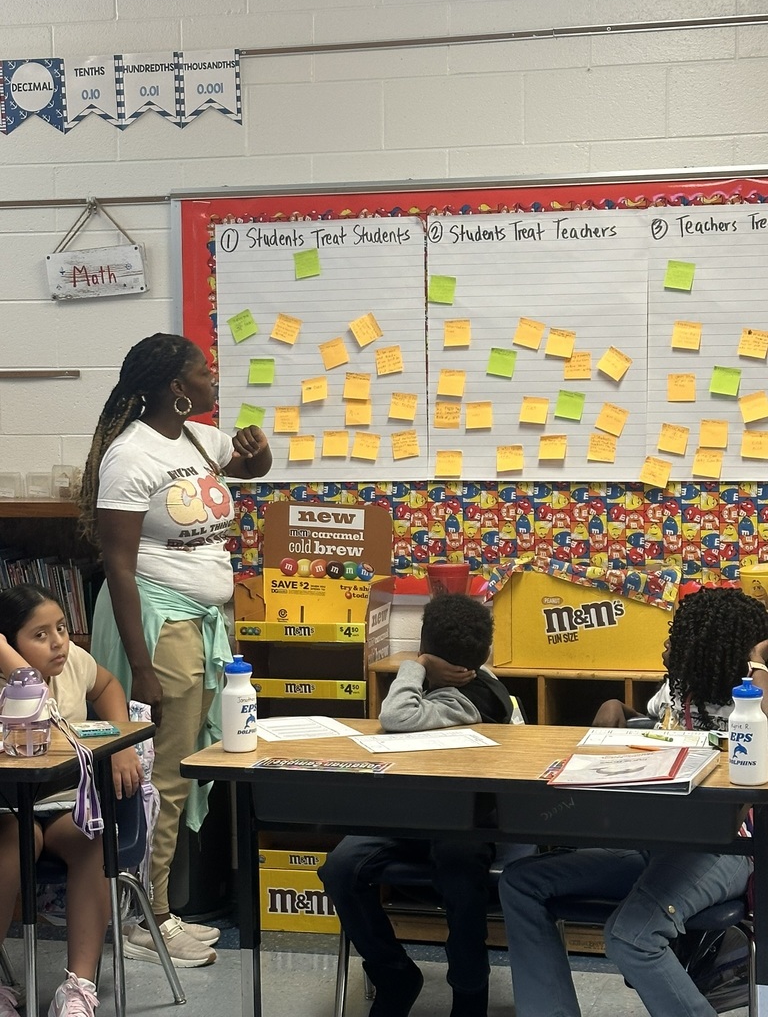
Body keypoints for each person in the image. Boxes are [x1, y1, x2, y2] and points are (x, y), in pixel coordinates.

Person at [78, 332, 272, 968]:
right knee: (162, 773)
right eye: (204, 373)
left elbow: (243, 471)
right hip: (160, 626)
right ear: (176, 388)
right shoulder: (130, 457)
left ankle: (159, 906)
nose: (215, 382)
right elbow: (120, 564)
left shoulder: (194, 440)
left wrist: (258, 455)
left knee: (183, 766)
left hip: (203, 619)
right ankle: (145, 920)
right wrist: (140, 669)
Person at [499, 586, 768, 1017]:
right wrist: (616, 711)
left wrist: (760, 665)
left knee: (632, 936)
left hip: (727, 848)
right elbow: (652, 727)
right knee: (520, 883)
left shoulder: (757, 695)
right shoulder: (680, 692)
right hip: (658, 844)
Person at [319, 593, 513, 1017]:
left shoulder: (467, 700)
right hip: (410, 815)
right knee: (340, 867)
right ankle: (393, 973)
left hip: (467, 824)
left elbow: (399, 717)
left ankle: (469, 992)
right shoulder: (456, 681)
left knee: (460, 876)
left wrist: (416, 664)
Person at [0, 584, 144, 1017]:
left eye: (61, 628)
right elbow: (31, 698)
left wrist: (121, 741)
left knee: (90, 837)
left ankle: (78, 986)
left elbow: (109, 684)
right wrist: (11, 664)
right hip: (5, 810)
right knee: (11, 845)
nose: (59, 641)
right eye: (40, 635)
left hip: (64, 802)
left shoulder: (73, 663)